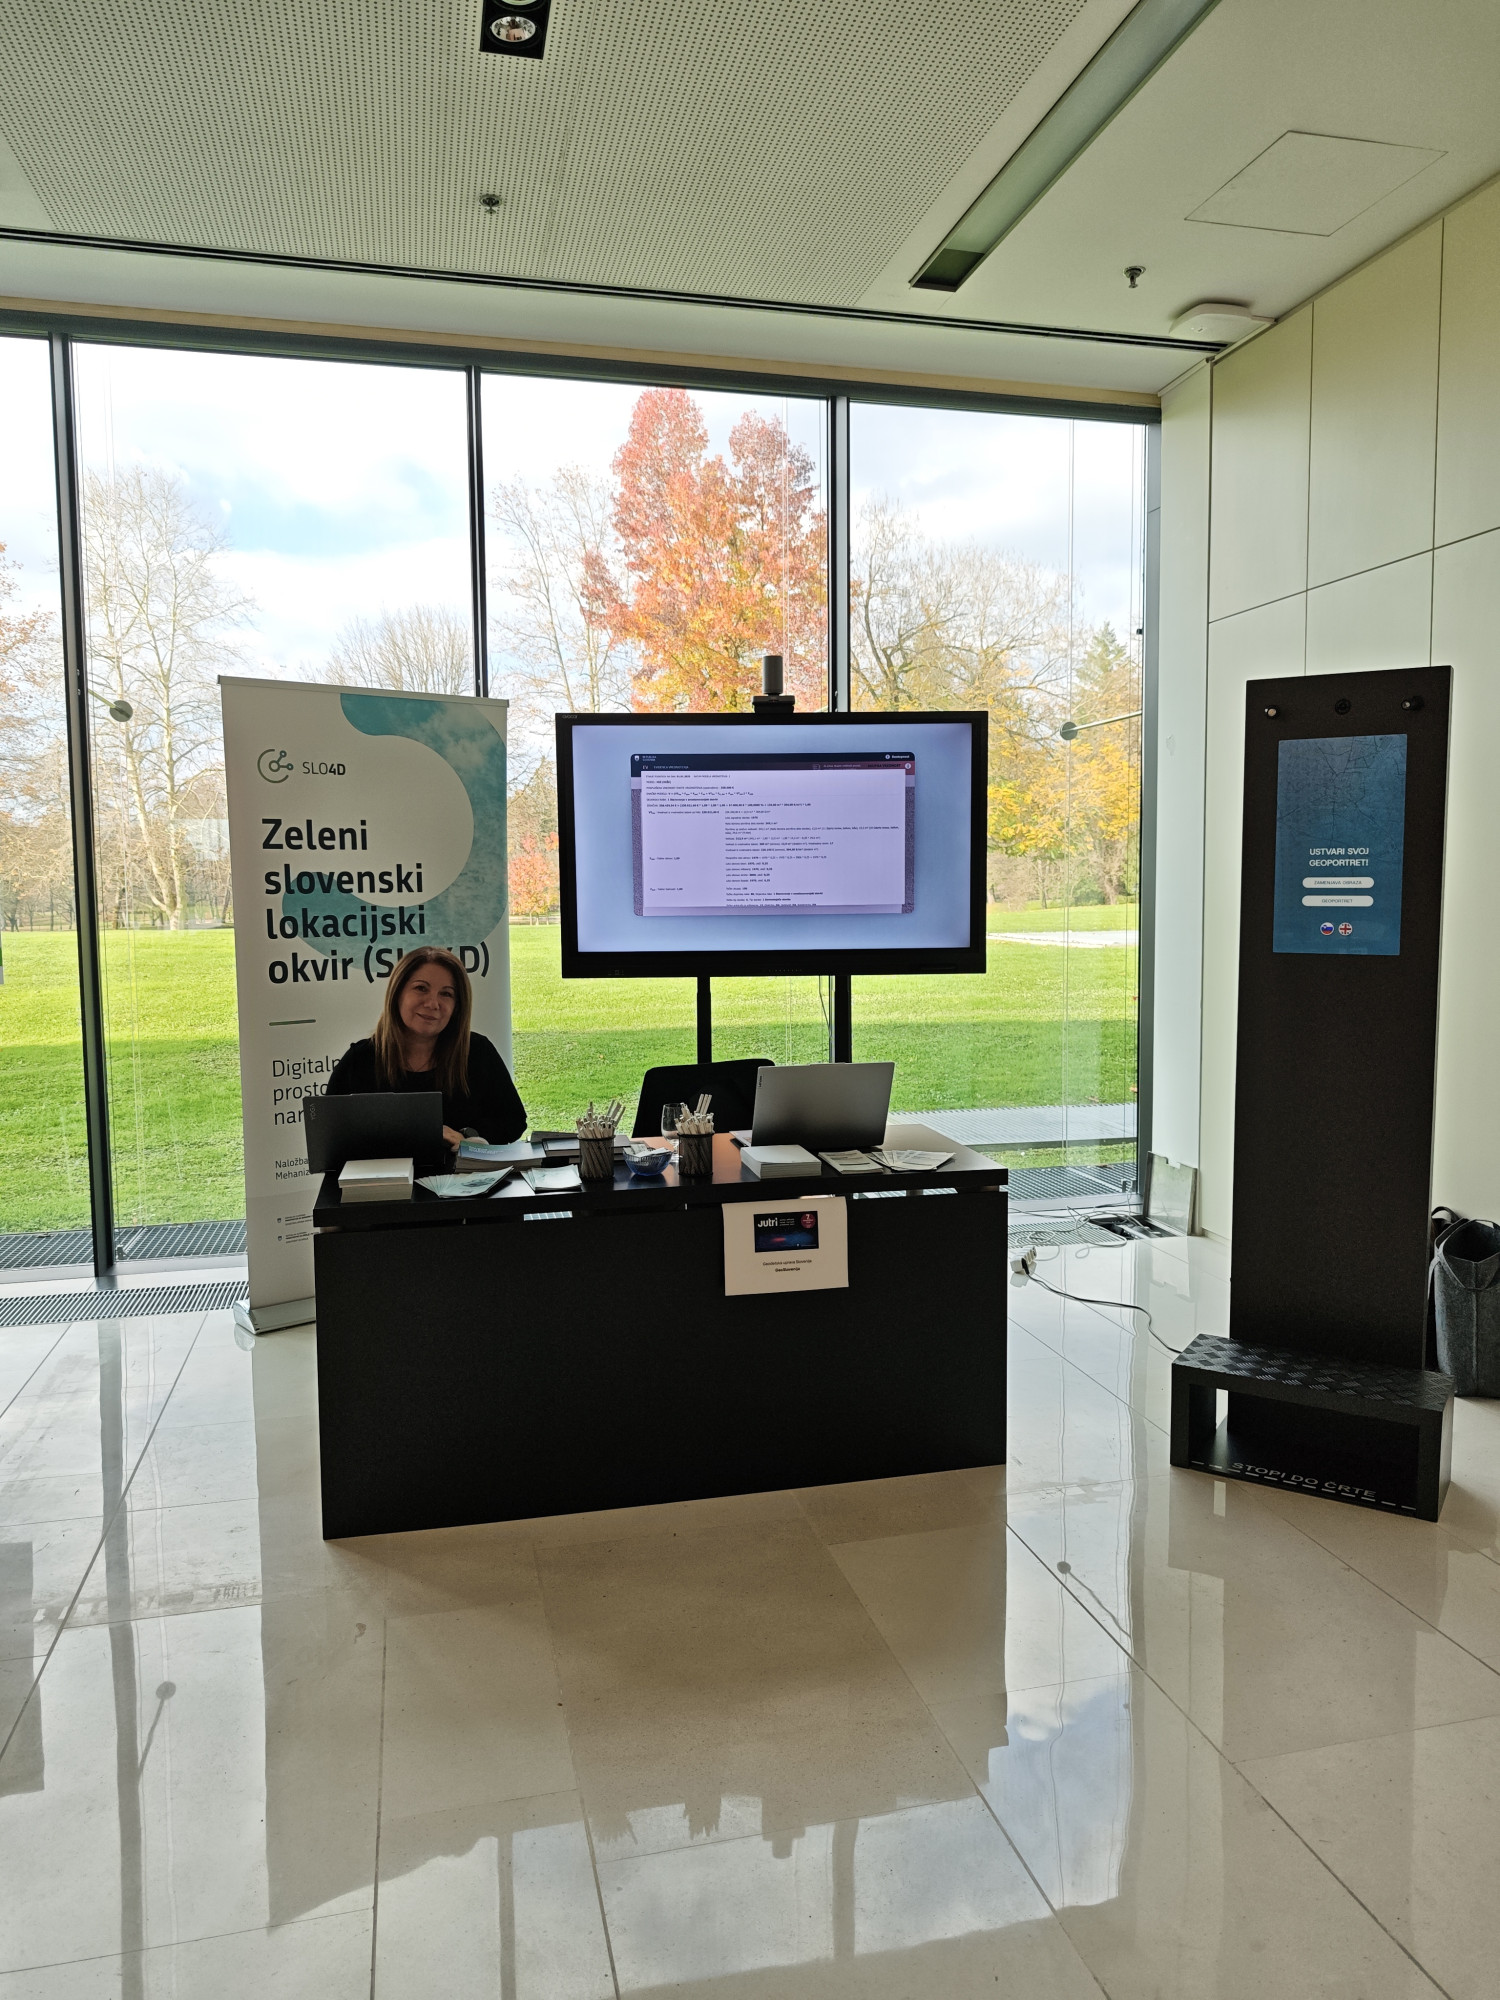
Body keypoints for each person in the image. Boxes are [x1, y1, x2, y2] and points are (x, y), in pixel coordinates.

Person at [326, 947, 526, 1152]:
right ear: (397, 993)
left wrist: (467, 1137)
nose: (432, 1003)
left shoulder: (477, 1052)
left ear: (457, 1006)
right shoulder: (360, 1060)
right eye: (421, 988)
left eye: (446, 994)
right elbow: (329, 1136)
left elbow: (513, 1121)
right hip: (382, 1173)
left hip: (461, 1171)